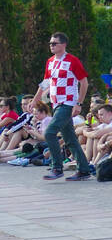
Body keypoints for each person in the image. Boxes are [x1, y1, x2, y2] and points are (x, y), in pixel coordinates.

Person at [37, 32, 94, 181]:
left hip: (67, 103)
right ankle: (84, 170)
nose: (51, 46)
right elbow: (45, 83)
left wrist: (79, 103)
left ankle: (57, 168)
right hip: (56, 103)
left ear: (63, 45)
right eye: (50, 43)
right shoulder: (50, 61)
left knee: (49, 133)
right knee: (70, 139)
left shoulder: (72, 60)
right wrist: (35, 99)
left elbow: (84, 82)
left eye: (54, 43)